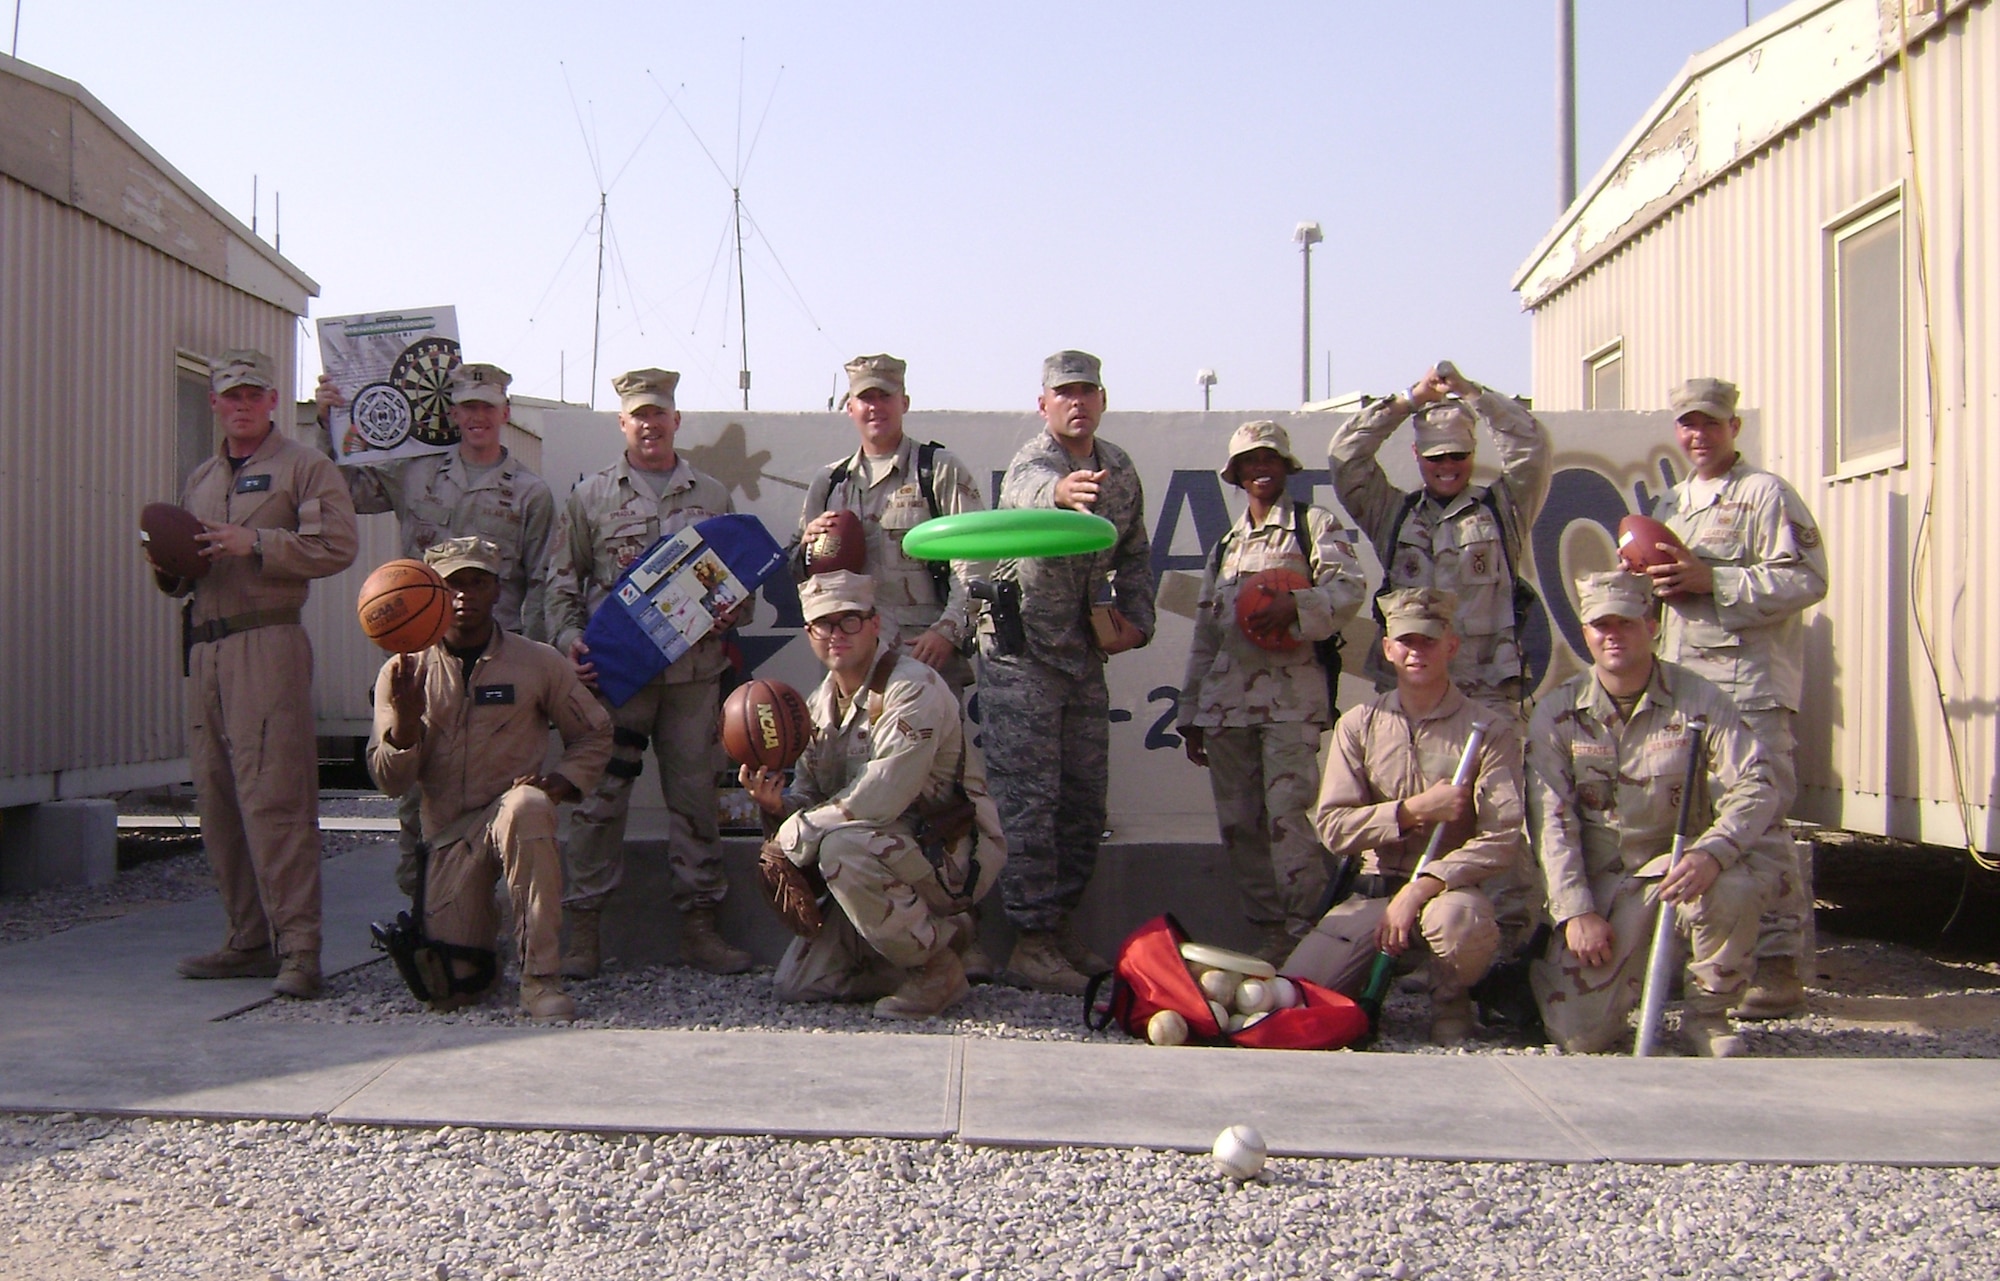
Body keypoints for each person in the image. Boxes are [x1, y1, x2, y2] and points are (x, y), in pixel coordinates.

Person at [152, 350, 358, 999]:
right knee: (215, 798)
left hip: (267, 641)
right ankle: (246, 939)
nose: (240, 405)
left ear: (273, 399)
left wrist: (260, 543)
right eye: (229, 395)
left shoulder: (304, 467)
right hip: (205, 648)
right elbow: (188, 568)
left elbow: (337, 547)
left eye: (253, 394)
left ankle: (300, 948)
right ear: (214, 403)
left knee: (276, 797)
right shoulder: (202, 478)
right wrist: (169, 563)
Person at [316, 362, 558, 897]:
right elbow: (347, 490)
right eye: (468, 407)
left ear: (505, 414)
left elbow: (543, 581)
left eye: (487, 408)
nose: (478, 418)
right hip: (423, 657)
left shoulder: (530, 493)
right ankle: (423, 908)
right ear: (453, 413)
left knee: (497, 787)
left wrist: (542, 668)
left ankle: (488, 913)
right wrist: (327, 422)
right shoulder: (417, 474)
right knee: (415, 787)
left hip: (500, 660)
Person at [544, 367, 755, 979]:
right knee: (599, 801)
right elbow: (559, 583)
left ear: (676, 419)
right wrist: (566, 640)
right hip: (617, 679)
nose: (650, 423)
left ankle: (700, 928)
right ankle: (582, 931)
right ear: (623, 423)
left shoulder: (712, 496)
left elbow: (739, 587)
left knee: (694, 802)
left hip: (693, 680)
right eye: (639, 414)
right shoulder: (590, 497)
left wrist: (729, 614)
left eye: (659, 412)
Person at [1527, 571, 1786, 1057]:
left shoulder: (1700, 700)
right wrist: (1575, 911)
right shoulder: (1557, 714)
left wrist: (1714, 852)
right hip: (1603, 887)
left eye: (1625, 623)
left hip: (1678, 873)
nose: (1612, 636)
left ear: (1652, 626)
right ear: (1585, 633)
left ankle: (1707, 1017)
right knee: (1580, 1037)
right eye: (1600, 625)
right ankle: (1565, 973)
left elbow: (1757, 782)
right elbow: (1551, 823)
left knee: (1733, 886)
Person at [367, 537, 612, 1021]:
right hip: (448, 839)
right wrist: (406, 723)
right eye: (453, 584)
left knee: (528, 807)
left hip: (510, 815)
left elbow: (595, 735)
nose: (465, 596)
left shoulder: (537, 661)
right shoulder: (401, 670)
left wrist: (558, 784)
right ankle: (484, 927)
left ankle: (541, 981)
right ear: (433, 589)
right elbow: (390, 783)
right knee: (453, 991)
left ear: (498, 589)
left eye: (477, 582)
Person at [740, 572, 1005, 1019]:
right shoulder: (819, 707)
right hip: (884, 856)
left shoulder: (912, 688)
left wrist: (795, 833)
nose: (835, 635)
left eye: (850, 621)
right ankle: (928, 943)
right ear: (809, 634)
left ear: (875, 623)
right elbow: (810, 793)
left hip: (948, 854)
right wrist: (777, 808)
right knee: (800, 985)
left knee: (841, 846)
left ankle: (937, 968)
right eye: (823, 624)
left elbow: (882, 794)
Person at [1645, 377, 1827, 1019]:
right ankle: (1713, 964)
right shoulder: (1673, 503)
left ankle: (1776, 968)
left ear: (1734, 428)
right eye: (1689, 424)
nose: (1699, 435)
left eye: (1711, 424)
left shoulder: (1764, 494)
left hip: (1748, 690)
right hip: (1685, 687)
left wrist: (1712, 578)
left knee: (1760, 821)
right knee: (1694, 821)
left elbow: (1807, 578)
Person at [978, 350, 1156, 996]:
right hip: (1022, 658)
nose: (1076, 402)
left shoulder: (1121, 469)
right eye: (1064, 393)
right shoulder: (1037, 461)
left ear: (1102, 399)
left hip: (1081, 657)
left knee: (1083, 803)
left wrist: (1137, 619)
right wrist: (1057, 494)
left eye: (1087, 391)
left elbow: (1134, 551)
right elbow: (1021, 495)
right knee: (1029, 805)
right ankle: (1029, 940)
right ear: (1043, 403)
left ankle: (1059, 929)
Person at [1281, 589, 1525, 1045]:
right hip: (1372, 897)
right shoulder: (1360, 724)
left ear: (1451, 645)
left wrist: (1423, 887)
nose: (1417, 652)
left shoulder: (1489, 731)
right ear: (1388, 649)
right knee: (1292, 1000)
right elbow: (1333, 827)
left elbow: (1501, 839)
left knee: (1459, 924)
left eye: (1429, 641)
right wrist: (1411, 812)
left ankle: (1451, 1000)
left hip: (1445, 896)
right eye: (1406, 642)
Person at [1178, 420, 1365, 962]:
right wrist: (1191, 711)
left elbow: (1349, 587)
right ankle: (1270, 933)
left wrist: (1299, 606)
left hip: (1290, 704)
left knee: (1288, 816)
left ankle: (1307, 930)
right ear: (1235, 474)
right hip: (1227, 707)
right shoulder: (1227, 546)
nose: (1262, 469)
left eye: (1271, 460)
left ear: (1286, 467)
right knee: (1241, 825)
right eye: (1251, 462)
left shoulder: (1313, 526)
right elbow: (1207, 634)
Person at [1328, 362, 1552, 722]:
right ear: (1418, 455)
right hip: (1408, 696)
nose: (1447, 465)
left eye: (1457, 454)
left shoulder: (1504, 509)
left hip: (1485, 695)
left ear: (1473, 451)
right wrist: (1409, 400)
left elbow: (1531, 446)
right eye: (1436, 456)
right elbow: (1345, 456)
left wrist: (1473, 394)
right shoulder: (1390, 514)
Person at [791, 354, 986, 695]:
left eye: (886, 396)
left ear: (904, 403)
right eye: (866, 398)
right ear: (850, 407)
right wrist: (806, 550)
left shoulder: (938, 471)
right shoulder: (830, 482)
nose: (875, 407)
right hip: (851, 660)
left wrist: (948, 631)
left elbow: (974, 561)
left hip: (923, 653)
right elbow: (799, 573)